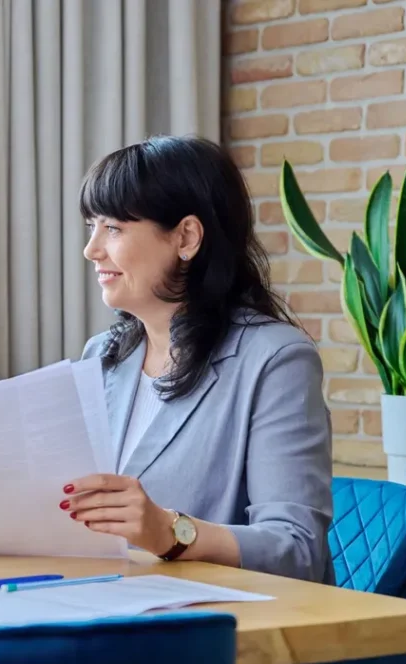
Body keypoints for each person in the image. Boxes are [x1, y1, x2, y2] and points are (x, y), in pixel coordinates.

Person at [61, 135, 334, 584]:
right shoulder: (103, 355)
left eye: (113, 228)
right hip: (103, 605)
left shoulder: (276, 361)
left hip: (216, 629)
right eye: (92, 226)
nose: (92, 249)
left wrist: (170, 532)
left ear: (186, 236)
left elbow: (297, 548)